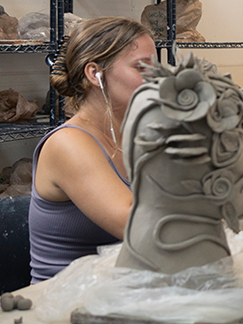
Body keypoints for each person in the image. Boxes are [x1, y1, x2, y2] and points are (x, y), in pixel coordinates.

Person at [29, 17, 157, 282]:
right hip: (66, 305)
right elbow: (139, 228)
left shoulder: (139, 135)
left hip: (125, 290)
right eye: (141, 67)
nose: (155, 78)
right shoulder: (69, 144)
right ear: (94, 74)